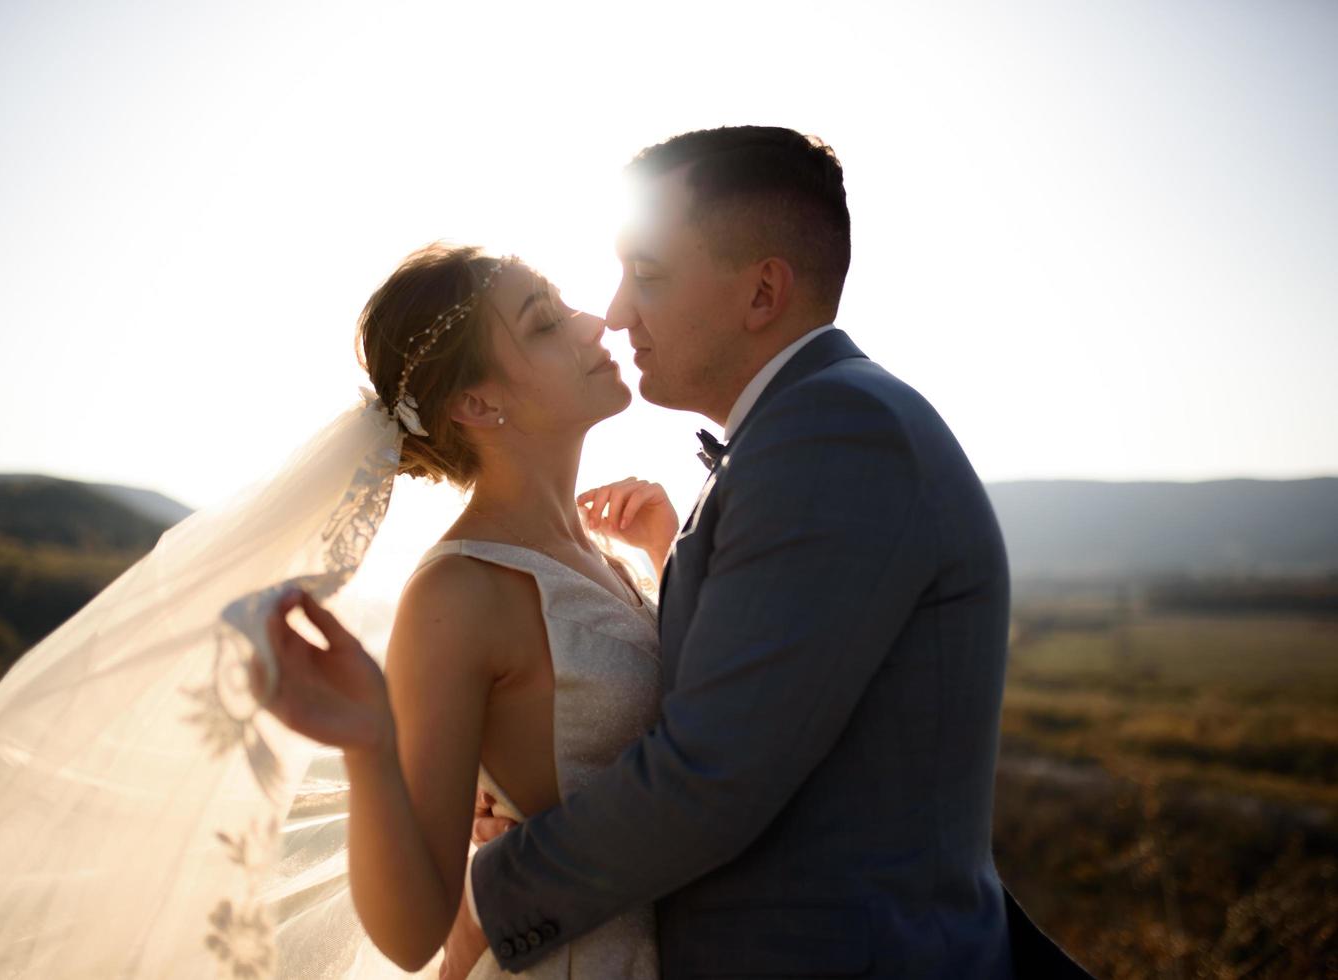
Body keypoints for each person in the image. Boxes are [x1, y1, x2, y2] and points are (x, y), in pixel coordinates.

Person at [271, 126, 1091, 980]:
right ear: (478, 403)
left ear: (762, 292)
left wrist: (498, 889)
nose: (613, 313)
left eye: (648, 276)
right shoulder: (482, 582)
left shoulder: (830, 434)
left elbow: (714, 769)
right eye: (551, 319)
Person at [265, 241, 676, 978]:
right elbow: (413, 933)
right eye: (545, 324)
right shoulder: (458, 593)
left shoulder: (608, 558)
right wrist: (368, 746)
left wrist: (665, 554)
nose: (592, 324)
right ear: (476, 403)